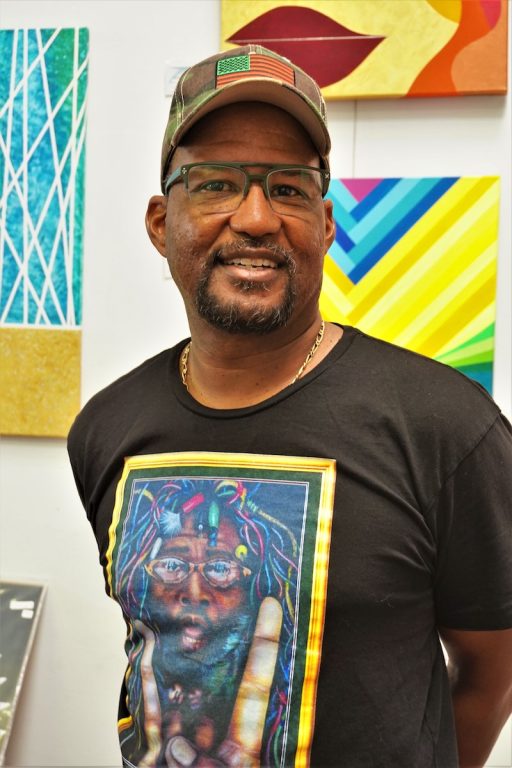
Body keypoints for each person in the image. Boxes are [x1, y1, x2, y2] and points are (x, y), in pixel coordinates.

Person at [68, 45, 512, 768]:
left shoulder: (445, 426)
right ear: (160, 222)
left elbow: (492, 672)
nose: (255, 218)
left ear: (326, 226)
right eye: (214, 184)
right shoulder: (107, 430)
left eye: (289, 189)